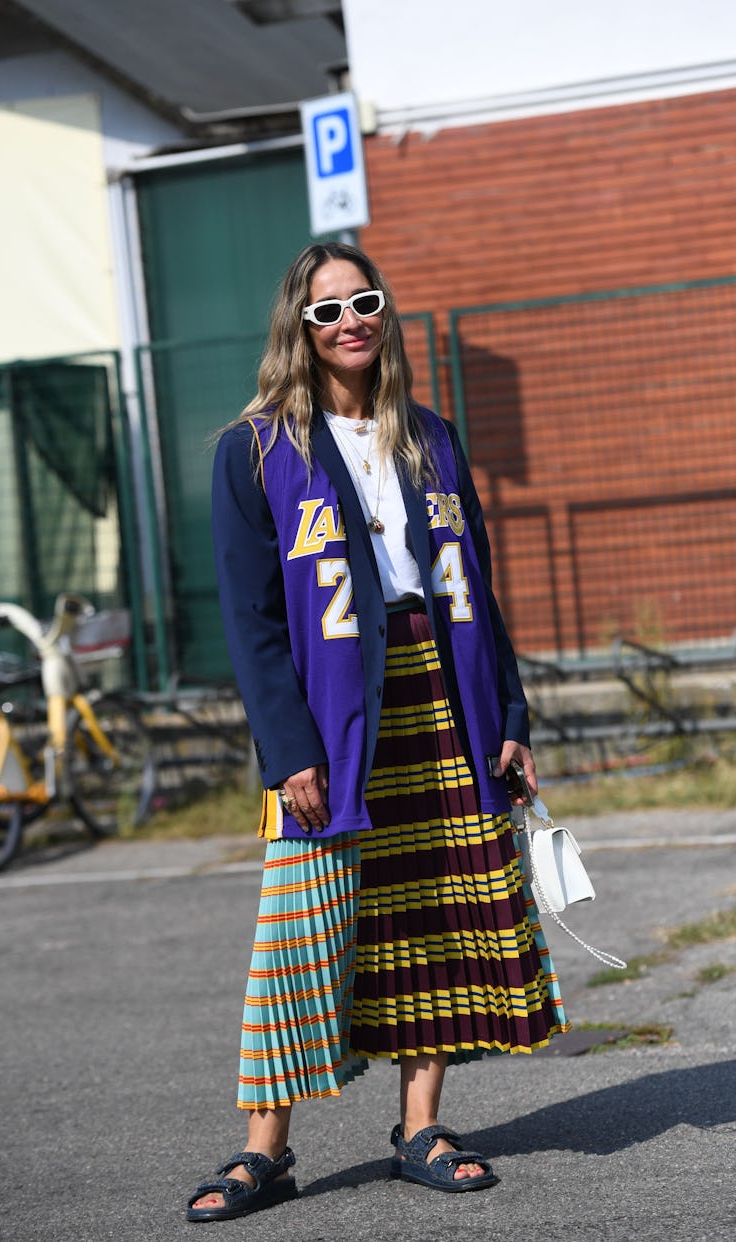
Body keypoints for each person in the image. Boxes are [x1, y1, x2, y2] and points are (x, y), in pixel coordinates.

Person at [186, 241, 569, 1223]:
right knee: (299, 927)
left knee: (434, 913)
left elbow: (477, 586)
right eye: (327, 311)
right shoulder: (258, 449)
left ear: (385, 313)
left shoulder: (432, 437)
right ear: (298, 330)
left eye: (365, 302)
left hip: (444, 698)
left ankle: (422, 1128)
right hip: (328, 716)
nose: (350, 320)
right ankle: (263, 1150)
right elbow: (253, 620)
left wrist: (513, 718)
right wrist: (289, 748)